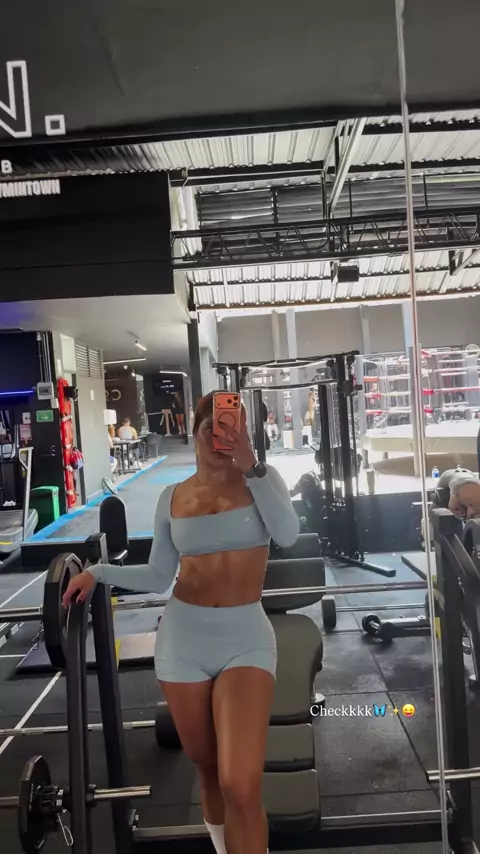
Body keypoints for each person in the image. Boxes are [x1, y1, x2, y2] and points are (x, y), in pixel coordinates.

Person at [62, 391, 299, 854]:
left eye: (232, 428)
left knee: (240, 783)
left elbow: (287, 535)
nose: (222, 437)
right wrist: (100, 572)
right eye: (214, 427)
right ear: (195, 432)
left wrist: (251, 465)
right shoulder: (173, 497)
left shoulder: (263, 479)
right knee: (208, 770)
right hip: (183, 640)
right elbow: (159, 575)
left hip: (246, 638)